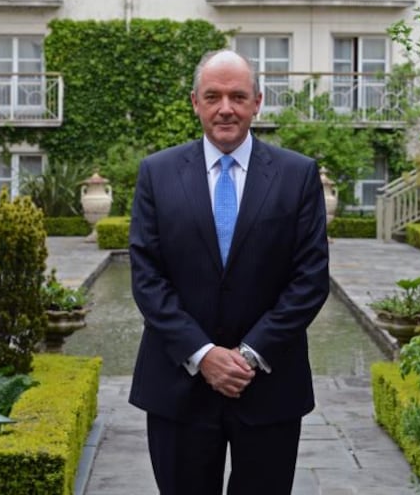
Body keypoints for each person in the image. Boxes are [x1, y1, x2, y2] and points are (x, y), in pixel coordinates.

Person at [128, 49, 330, 494]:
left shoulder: (297, 175)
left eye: (238, 96)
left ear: (257, 102)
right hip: (177, 386)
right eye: (213, 96)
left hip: (268, 387)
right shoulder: (156, 174)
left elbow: (310, 278)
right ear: (195, 102)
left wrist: (249, 354)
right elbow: (147, 276)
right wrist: (202, 354)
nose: (226, 108)